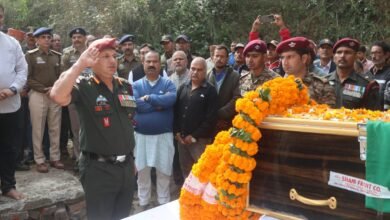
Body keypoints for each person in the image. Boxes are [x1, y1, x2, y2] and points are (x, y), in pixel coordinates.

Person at [50, 38, 136, 220]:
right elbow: (57, 95)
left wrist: (131, 159)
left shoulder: (124, 86)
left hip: (127, 167)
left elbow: (127, 125)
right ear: (92, 60)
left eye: (114, 56)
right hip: (99, 170)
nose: (112, 61)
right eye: (105, 56)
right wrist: (80, 64)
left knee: (123, 216)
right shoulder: (84, 85)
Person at [132, 51, 176, 208]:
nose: (151, 64)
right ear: (143, 64)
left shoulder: (168, 83)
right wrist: (159, 104)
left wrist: (149, 98)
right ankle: (143, 203)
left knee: (164, 171)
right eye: (148, 61)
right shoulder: (135, 85)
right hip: (141, 136)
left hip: (163, 135)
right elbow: (137, 106)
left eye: (155, 61)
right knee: (142, 172)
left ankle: (163, 203)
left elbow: (171, 99)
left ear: (160, 64)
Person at [25, 27, 64, 173]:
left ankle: (55, 157)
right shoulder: (30, 56)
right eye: (43, 37)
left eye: (49, 37)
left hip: (54, 94)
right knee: (38, 128)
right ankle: (39, 159)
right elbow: (28, 78)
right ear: (36, 40)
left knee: (55, 127)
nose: (47, 40)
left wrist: (53, 89)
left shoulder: (56, 55)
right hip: (37, 95)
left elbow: (61, 76)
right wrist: (44, 89)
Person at [0, 3, 27, 200]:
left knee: (10, 148)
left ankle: (8, 186)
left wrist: (12, 89)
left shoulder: (11, 43)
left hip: (10, 105)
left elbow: (22, 70)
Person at [174, 57, 218, 178]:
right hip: (182, 141)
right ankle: (188, 195)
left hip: (200, 141)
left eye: (199, 70)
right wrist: (177, 132)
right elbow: (176, 112)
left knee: (203, 172)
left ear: (205, 72)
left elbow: (211, 119)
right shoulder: (183, 87)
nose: (195, 72)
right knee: (186, 171)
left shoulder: (210, 91)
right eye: (193, 69)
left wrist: (193, 136)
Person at [276, 37, 336, 106]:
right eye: (282, 57)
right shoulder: (276, 86)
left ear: (304, 58)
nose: (285, 62)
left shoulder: (322, 87)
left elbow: (328, 114)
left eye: (290, 57)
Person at [325, 38, 380, 110]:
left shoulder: (367, 85)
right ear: (334, 57)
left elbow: (373, 115)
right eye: (339, 52)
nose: (342, 56)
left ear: (356, 57)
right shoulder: (323, 81)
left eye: (347, 52)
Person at [207, 45, 241, 132]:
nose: (219, 59)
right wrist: (213, 117)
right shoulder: (207, 75)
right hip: (210, 123)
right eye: (217, 56)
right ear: (212, 57)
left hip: (228, 122)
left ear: (227, 58)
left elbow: (237, 98)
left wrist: (221, 114)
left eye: (222, 56)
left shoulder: (235, 76)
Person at [365, 41, 390, 110]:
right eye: (372, 53)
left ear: (386, 55)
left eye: (377, 53)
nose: (373, 56)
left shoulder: (388, 74)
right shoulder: (367, 74)